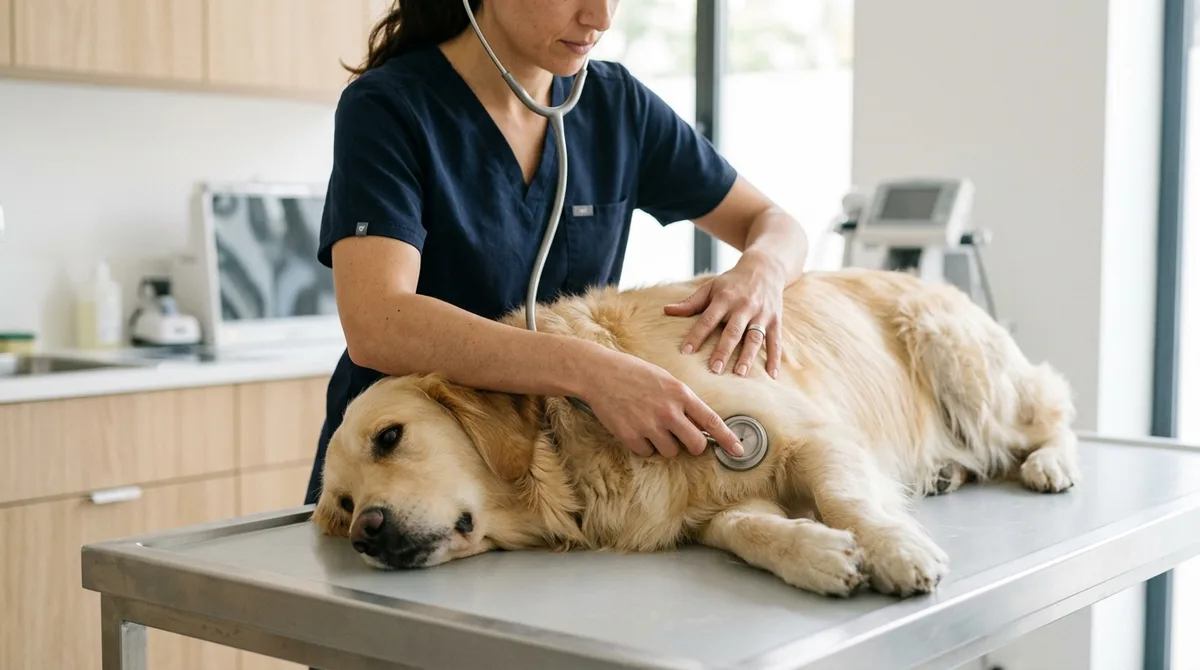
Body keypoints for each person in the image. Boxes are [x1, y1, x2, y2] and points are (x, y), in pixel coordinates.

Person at [304, 0, 811, 506]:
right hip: (401, 464)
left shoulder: (617, 106)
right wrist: (593, 371)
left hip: (552, 473)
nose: (601, 18)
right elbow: (378, 323)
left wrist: (762, 270)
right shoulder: (388, 106)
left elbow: (775, 224)